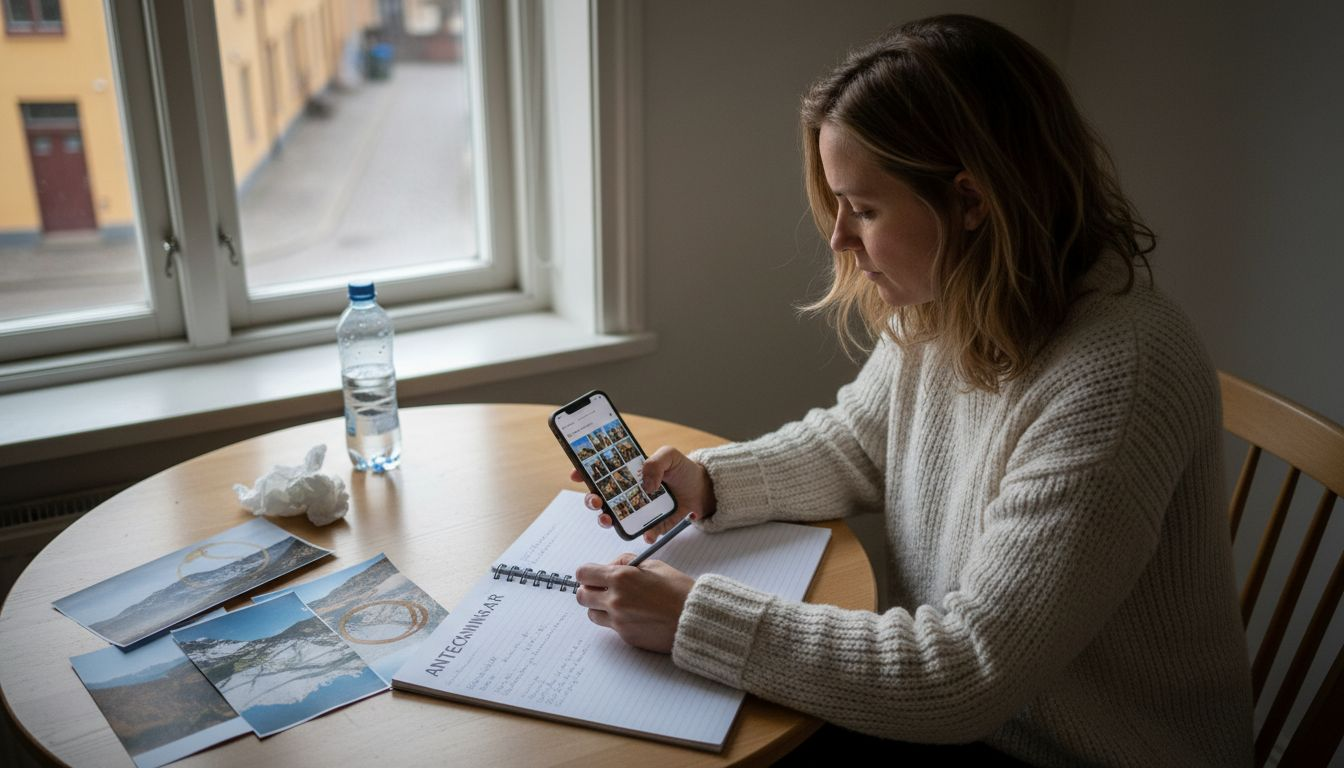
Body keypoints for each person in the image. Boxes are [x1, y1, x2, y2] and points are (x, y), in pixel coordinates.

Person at [572, 14, 1253, 766]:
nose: (838, 238)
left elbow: (966, 670)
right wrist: (708, 482)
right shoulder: (954, 300)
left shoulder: (1119, 374)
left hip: (1063, 749)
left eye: (862, 209)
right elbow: (859, 441)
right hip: (970, 720)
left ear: (970, 202)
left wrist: (696, 618)